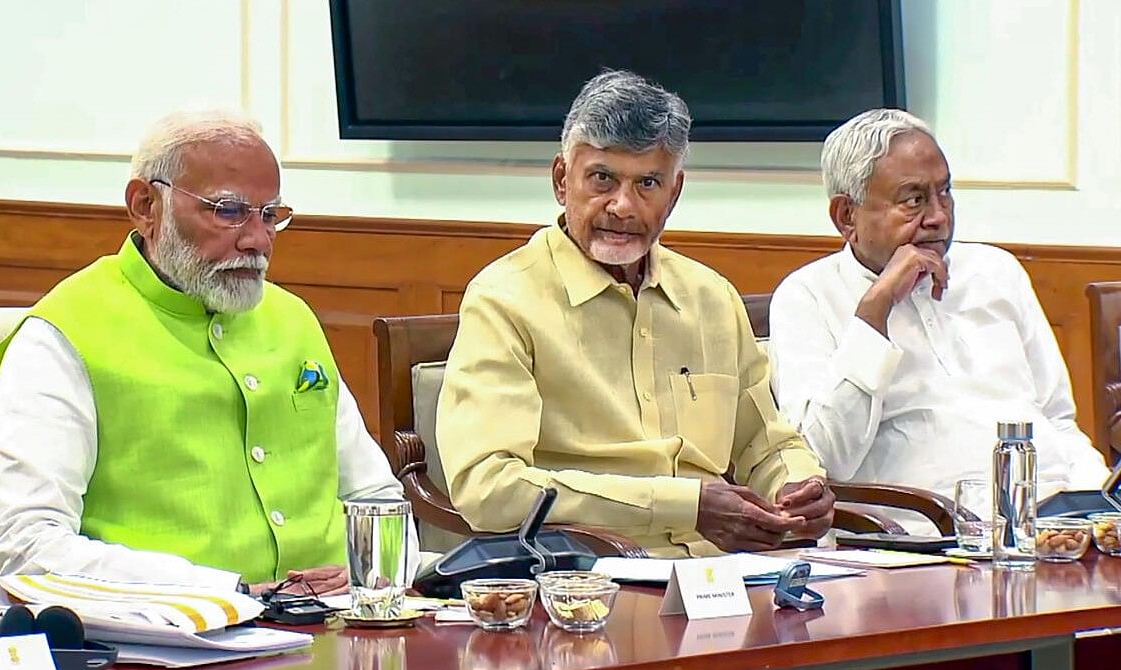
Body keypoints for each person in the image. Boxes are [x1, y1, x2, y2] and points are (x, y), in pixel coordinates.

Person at [0, 111, 417, 595]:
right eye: (228, 211)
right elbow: (25, 546)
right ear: (146, 206)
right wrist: (226, 590)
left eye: (270, 215)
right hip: (177, 640)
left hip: (342, 625)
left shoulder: (292, 318)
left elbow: (376, 497)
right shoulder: (62, 336)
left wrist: (373, 570)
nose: (258, 241)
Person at [435, 71, 833, 557]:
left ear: (675, 192)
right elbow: (489, 490)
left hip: (727, 577)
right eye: (602, 178)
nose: (623, 206)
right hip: (587, 584)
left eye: (648, 183)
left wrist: (798, 485)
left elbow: (766, 444)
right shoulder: (504, 301)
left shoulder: (712, 297)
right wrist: (681, 504)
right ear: (563, 180)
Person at [769, 108, 1110, 533]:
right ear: (846, 217)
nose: (939, 216)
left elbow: (1057, 418)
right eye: (913, 200)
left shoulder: (995, 271)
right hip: (929, 540)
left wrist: (1102, 504)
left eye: (944, 193)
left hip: (1058, 524)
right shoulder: (807, 297)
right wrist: (874, 311)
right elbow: (821, 457)